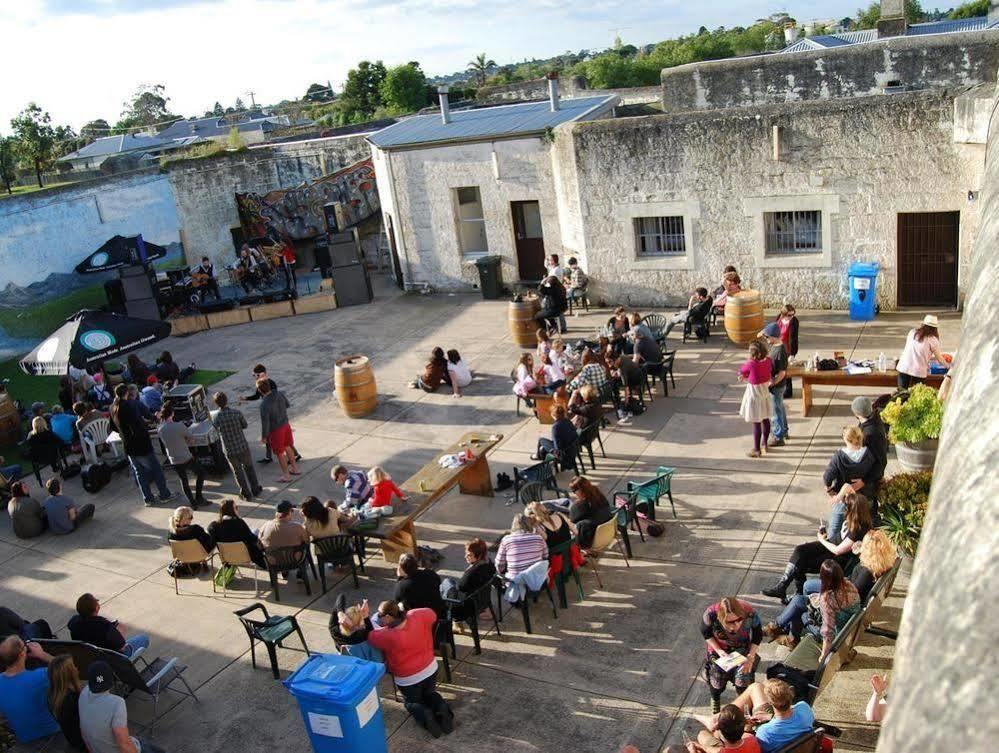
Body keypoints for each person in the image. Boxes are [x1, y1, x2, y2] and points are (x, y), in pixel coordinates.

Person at [762, 492, 873, 602]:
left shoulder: (859, 530)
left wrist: (821, 540)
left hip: (836, 558)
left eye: (846, 507)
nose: (844, 509)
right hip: (829, 546)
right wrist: (825, 537)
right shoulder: (851, 520)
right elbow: (838, 538)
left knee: (802, 562)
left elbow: (838, 550)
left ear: (853, 511)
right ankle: (782, 585)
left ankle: (799, 595)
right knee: (800, 550)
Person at [367, 602, 454, 737]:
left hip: (408, 678)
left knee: (412, 702)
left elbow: (371, 637)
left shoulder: (388, 635)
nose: (378, 617)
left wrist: (367, 618)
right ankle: (442, 708)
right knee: (430, 694)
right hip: (430, 668)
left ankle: (425, 716)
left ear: (389, 617)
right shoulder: (416, 615)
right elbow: (432, 614)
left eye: (380, 615)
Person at [763, 559, 860, 657]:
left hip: (836, 632)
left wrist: (823, 655)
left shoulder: (827, 599)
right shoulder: (848, 585)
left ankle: (789, 637)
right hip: (847, 623)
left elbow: (828, 631)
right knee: (806, 588)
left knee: (800, 611)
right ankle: (779, 628)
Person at [703, 679, 813, 753]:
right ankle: (721, 717)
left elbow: (758, 748)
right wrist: (771, 717)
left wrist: (747, 729)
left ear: (769, 703)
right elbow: (789, 720)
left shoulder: (765, 732)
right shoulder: (804, 708)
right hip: (801, 745)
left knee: (715, 733)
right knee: (756, 687)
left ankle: (721, 718)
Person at [78, 660, 165, 753]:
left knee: (139, 740)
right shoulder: (117, 703)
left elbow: (84, 733)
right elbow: (124, 743)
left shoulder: (83, 694)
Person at [111, 384, 175, 507]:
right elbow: (144, 420)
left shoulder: (113, 407)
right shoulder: (132, 405)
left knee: (139, 472)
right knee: (156, 469)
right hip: (141, 444)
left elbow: (113, 427)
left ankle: (148, 498)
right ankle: (164, 495)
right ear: (127, 393)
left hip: (128, 446)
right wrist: (152, 419)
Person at [700, 597, 763, 712]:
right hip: (719, 651)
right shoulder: (710, 614)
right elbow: (706, 633)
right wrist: (719, 650)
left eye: (739, 620)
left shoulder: (750, 613)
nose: (736, 625)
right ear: (721, 618)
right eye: (730, 622)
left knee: (743, 681)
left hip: (743, 651)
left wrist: (751, 656)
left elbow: (758, 635)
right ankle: (715, 701)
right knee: (717, 682)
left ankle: (744, 708)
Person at [0, 635, 58, 743]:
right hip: (53, 734)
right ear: (22, 653)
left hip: (24, 738)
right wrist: (42, 654)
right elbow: (67, 668)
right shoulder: (41, 676)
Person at [240, 365, 301, 464]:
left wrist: (272, 409)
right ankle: (268, 457)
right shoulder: (261, 383)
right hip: (273, 414)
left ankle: (295, 454)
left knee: (283, 439)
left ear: (262, 373)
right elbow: (257, 396)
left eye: (254, 375)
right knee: (274, 438)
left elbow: (275, 398)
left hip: (274, 415)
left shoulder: (269, 383)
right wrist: (245, 398)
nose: (254, 377)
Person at [210, 391, 262, 501]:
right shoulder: (236, 413)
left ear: (216, 404)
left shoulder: (216, 418)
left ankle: (246, 493)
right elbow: (245, 425)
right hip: (242, 445)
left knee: (237, 472)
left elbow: (215, 429)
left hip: (229, 449)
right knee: (249, 468)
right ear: (226, 401)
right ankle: (255, 489)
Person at [158, 403, 208, 508]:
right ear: (172, 413)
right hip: (185, 457)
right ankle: (199, 497)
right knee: (201, 473)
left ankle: (193, 503)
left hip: (174, 459)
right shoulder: (179, 426)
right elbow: (191, 439)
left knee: (184, 481)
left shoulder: (160, 429)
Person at [68, 593, 150, 658]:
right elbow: (121, 647)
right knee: (144, 638)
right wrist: (119, 632)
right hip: (113, 659)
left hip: (91, 658)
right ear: (97, 608)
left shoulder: (74, 623)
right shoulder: (104, 625)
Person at [257, 378, 299, 483]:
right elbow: (287, 405)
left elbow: (265, 422)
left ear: (260, 390)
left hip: (276, 430)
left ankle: (286, 475)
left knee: (280, 453)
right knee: (288, 446)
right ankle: (295, 468)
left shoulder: (264, 405)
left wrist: (264, 436)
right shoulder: (280, 394)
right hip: (286, 425)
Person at [737, 340, 773, 458]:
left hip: (754, 396)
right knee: (766, 420)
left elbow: (741, 371)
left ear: (753, 354)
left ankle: (756, 449)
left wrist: (743, 375)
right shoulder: (768, 361)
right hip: (765, 394)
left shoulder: (751, 363)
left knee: (756, 423)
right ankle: (765, 444)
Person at [851, 396, 888, 509]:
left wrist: (863, 482)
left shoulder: (871, 433)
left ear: (857, 413)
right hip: (866, 479)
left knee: (868, 513)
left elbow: (880, 463)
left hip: (869, 484)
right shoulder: (868, 423)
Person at [208, 499, 266, 567]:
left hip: (227, 557)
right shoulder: (239, 523)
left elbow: (210, 535)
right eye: (236, 507)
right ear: (232, 511)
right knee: (256, 531)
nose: (238, 509)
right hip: (244, 557)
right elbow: (251, 539)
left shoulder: (214, 526)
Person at [450, 538, 497, 622]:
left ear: (479, 556)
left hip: (469, 604)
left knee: (448, 584)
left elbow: (460, 587)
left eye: (469, 555)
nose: (465, 557)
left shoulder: (473, 572)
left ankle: (456, 624)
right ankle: (487, 610)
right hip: (483, 599)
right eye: (466, 553)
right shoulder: (489, 563)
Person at [258, 500, 310, 575]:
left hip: (274, 562)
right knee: (305, 547)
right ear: (289, 512)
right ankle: (301, 574)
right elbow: (307, 542)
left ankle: (284, 572)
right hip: (295, 560)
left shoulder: (265, 526)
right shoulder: (298, 527)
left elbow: (259, 544)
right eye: (292, 510)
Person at [495, 513, 549, 585]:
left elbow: (499, 564)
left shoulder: (506, 540)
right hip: (537, 580)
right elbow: (546, 555)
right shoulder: (539, 538)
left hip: (515, 582)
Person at [47, 654, 86, 751]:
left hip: (72, 739)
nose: (76, 668)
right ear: (70, 673)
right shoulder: (73, 699)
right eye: (73, 666)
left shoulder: (52, 695)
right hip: (84, 742)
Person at [896, 314, 945, 389]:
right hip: (918, 371)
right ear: (935, 328)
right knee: (916, 396)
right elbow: (940, 359)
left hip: (903, 367)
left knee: (901, 395)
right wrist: (949, 366)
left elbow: (913, 350)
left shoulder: (912, 332)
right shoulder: (933, 339)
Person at [686, 703, 761, 752]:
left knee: (702, 734)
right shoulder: (751, 739)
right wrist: (702, 747)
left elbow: (716, 750)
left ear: (720, 731)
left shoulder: (721, 751)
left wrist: (693, 751)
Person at [760, 323, 789, 447]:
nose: (766, 339)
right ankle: (784, 430)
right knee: (780, 408)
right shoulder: (775, 345)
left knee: (776, 411)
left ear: (774, 337)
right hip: (777, 386)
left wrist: (773, 383)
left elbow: (782, 373)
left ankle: (778, 436)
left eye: (767, 337)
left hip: (777, 386)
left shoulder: (780, 351)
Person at [328, 596, 383, 663]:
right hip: (364, 660)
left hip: (346, 660)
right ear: (359, 625)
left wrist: (340, 613)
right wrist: (365, 616)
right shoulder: (364, 634)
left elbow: (341, 596)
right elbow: (372, 633)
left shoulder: (334, 631)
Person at [822, 426, 875, 495]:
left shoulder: (839, 456)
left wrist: (828, 487)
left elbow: (828, 476)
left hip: (844, 495)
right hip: (866, 495)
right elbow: (874, 472)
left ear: (846, 439)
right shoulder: (869, 454)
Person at [394, 552, 447, 619]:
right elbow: (438, 583)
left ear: (402, 569)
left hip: (420, 620)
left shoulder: (402, 586)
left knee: (399, 606)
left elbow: (397, 599)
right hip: (438, 615)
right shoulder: (430, 573)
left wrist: (400, 578)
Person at [568, 476, 614, 548]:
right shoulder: (598, 494)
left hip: (592, 537)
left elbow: (572, 519)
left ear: (580, 490)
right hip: (606, 530)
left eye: (574, 491)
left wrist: (575, 504)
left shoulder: (581, 504)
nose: (574, 493)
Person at [775, 305, 799, 398]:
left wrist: (792, 354)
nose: (791, 316)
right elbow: (774, 330)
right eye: (789, 315)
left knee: (786, 370)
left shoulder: (794, 321)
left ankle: (788, 391)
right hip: (778, 346)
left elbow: (794, 338)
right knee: (778, 369)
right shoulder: (778, 318)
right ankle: (780, 387)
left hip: (787, 348)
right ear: (783, 314)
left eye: (793, 314)